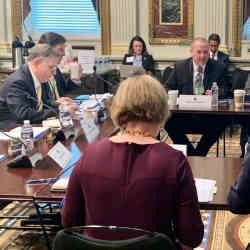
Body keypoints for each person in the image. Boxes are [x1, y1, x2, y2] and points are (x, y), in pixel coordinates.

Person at [62, 74, 204, 249]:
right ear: (161, 109)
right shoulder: (174, 161)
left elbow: (69, 223)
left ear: (119, 109)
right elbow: (191, 236)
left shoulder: (90, 154)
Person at [165, 37, 230, 156]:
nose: (202, 56)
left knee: (222, 121)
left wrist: (217, 93)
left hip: (208, 115)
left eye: (205, 52)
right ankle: (194, 154)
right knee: (167, 121)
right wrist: (177, 98)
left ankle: (198, 153)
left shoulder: (219, 67)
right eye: (199, 52)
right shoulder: (180, 67)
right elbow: (168, 87)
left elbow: (227, 90)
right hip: (184, 114)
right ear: (191, 52)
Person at [0, 44, 61, 128]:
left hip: (32, 128)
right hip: (11, 132)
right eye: (51, 67)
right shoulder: (18, 82)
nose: (54, 73)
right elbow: (23, 115)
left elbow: (44, 102)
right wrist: (60, 111)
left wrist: (60, 104)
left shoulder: (40, 77)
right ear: (37, 62)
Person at [38, 32, 81, 102]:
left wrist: (75, 79)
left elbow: (63, 89)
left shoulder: (55, 68)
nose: (64, 54)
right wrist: (57, 105)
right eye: (61, 50)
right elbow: (38, 107)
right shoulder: (36, 74)